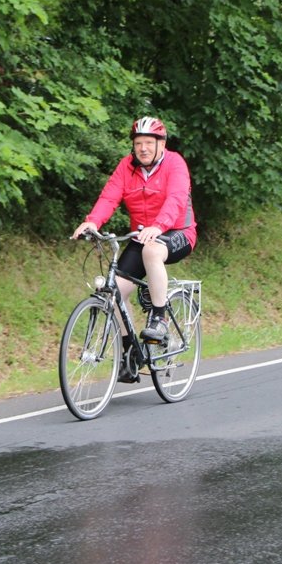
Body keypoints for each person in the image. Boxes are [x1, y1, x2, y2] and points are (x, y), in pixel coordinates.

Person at [71, 116, 197, 382]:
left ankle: (159, 319)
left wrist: (160, 225)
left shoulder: (175, 164)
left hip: (177, 232)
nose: (143, 148)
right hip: (143, 236)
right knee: (113, 291)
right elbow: (109, 196)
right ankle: (130, 354)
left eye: (149, 143)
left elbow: (176, 199)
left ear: (161, 144)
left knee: (152, 251)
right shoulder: (126, 167)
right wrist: (92, 221)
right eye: (139, 143)